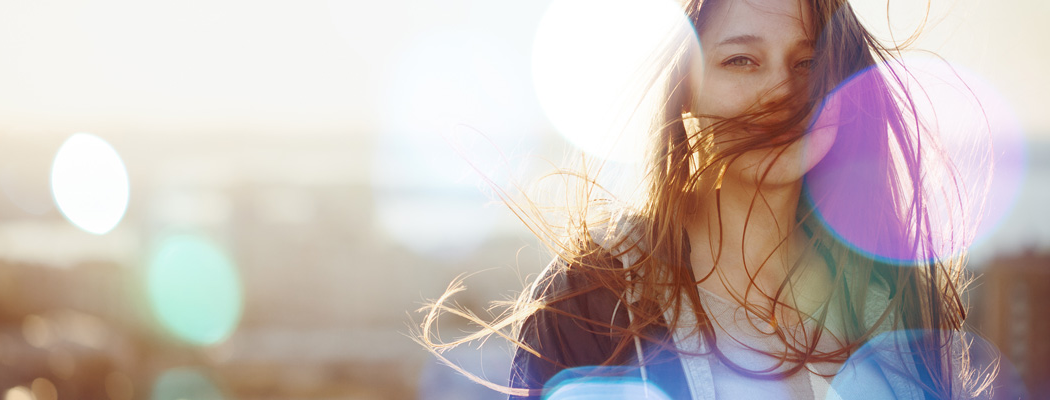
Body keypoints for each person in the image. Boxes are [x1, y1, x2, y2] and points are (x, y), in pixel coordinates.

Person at [417, 0, 996, 398]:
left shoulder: (898, 307)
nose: (782, 92)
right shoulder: (596, 297)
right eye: (740, 60)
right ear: (687, 88)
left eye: (809, 62)